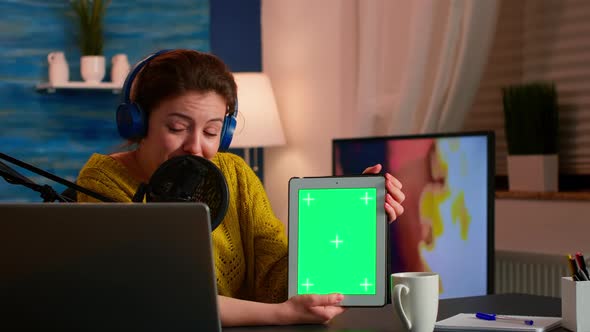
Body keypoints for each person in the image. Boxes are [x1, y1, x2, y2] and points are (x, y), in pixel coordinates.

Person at [75, 49, 406, 327]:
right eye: (177, 127)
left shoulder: (236, 174)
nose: (195, 146)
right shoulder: (102, 182)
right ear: (139, 121)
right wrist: (279, 315)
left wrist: (352, 219)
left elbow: (278, 278)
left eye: (211, 132)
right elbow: (155, 297)